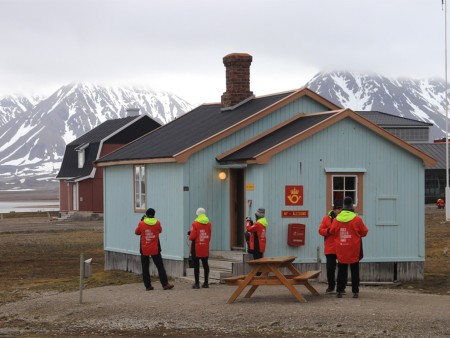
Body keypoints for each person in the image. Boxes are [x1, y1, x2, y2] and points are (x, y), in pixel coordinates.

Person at [330, 196, 368, 299]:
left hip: (341, 248)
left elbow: (332, 231)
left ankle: (339, 291)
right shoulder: (357, 219)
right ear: (352, 206)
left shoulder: (336, 219)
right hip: (354, 249)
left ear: (343, 207)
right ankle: (355, 291)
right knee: (355, 270)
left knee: (341, 269)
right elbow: (364, 232)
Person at [135, 208, 174, 291]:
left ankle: (148, 286)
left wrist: (142, 221)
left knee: (145, 267)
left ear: (146, 214)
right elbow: (160, 230)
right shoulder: (157, 223)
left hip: (144, 247)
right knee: (160, 266)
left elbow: (137, 232)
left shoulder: (141, 223)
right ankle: (165, 284)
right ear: (154, 214)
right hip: (155, 247)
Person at [318, 200, 343, 293]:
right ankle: (331, 286)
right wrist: (328, 231)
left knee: (342, 268)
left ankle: (341, 287)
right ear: (334, 209)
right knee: (330, 268)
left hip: (341, 247)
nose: (340, 211)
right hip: (330, 247)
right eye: (338, 209)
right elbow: (320, 230)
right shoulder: (326, 219)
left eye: (341, 209)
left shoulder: (343, 218)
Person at [188, 207, 212, 289]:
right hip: (205, 245)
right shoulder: (209, 223)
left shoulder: (195, 224)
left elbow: (192, 237)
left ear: (197, 214)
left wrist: (190, 234)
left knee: (196, 265)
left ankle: (197, 283)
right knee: (205, 264)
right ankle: (206, 283)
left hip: (196, 246)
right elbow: (209, 236)